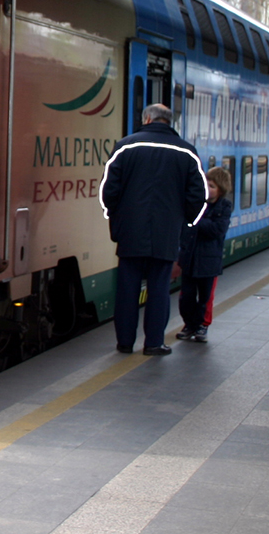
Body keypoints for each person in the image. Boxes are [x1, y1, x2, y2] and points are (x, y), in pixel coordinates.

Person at [100, 103, 208, 356]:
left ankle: (125, 342)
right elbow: (198, 196)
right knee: (159, 289)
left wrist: (114, 217)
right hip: (167, 233)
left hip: (130, 231)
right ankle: (154, 343)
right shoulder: (187, 152)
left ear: (147, 118)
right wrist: (185, 223)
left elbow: (109, 190)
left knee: (127, 289)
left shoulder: (126, 146)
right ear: (169, 121)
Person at [176, 166, 233, 343]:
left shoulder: (224, 207)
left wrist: (197, 220)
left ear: (221, 190)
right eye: (206, 185)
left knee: (205, 297)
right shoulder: (196, 204)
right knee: (186, 296)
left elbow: (217, 230)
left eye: (212, 186)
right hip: (189, 258)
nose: (208, 189)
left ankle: (202, 325)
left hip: (209, 261)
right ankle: (189, 324)